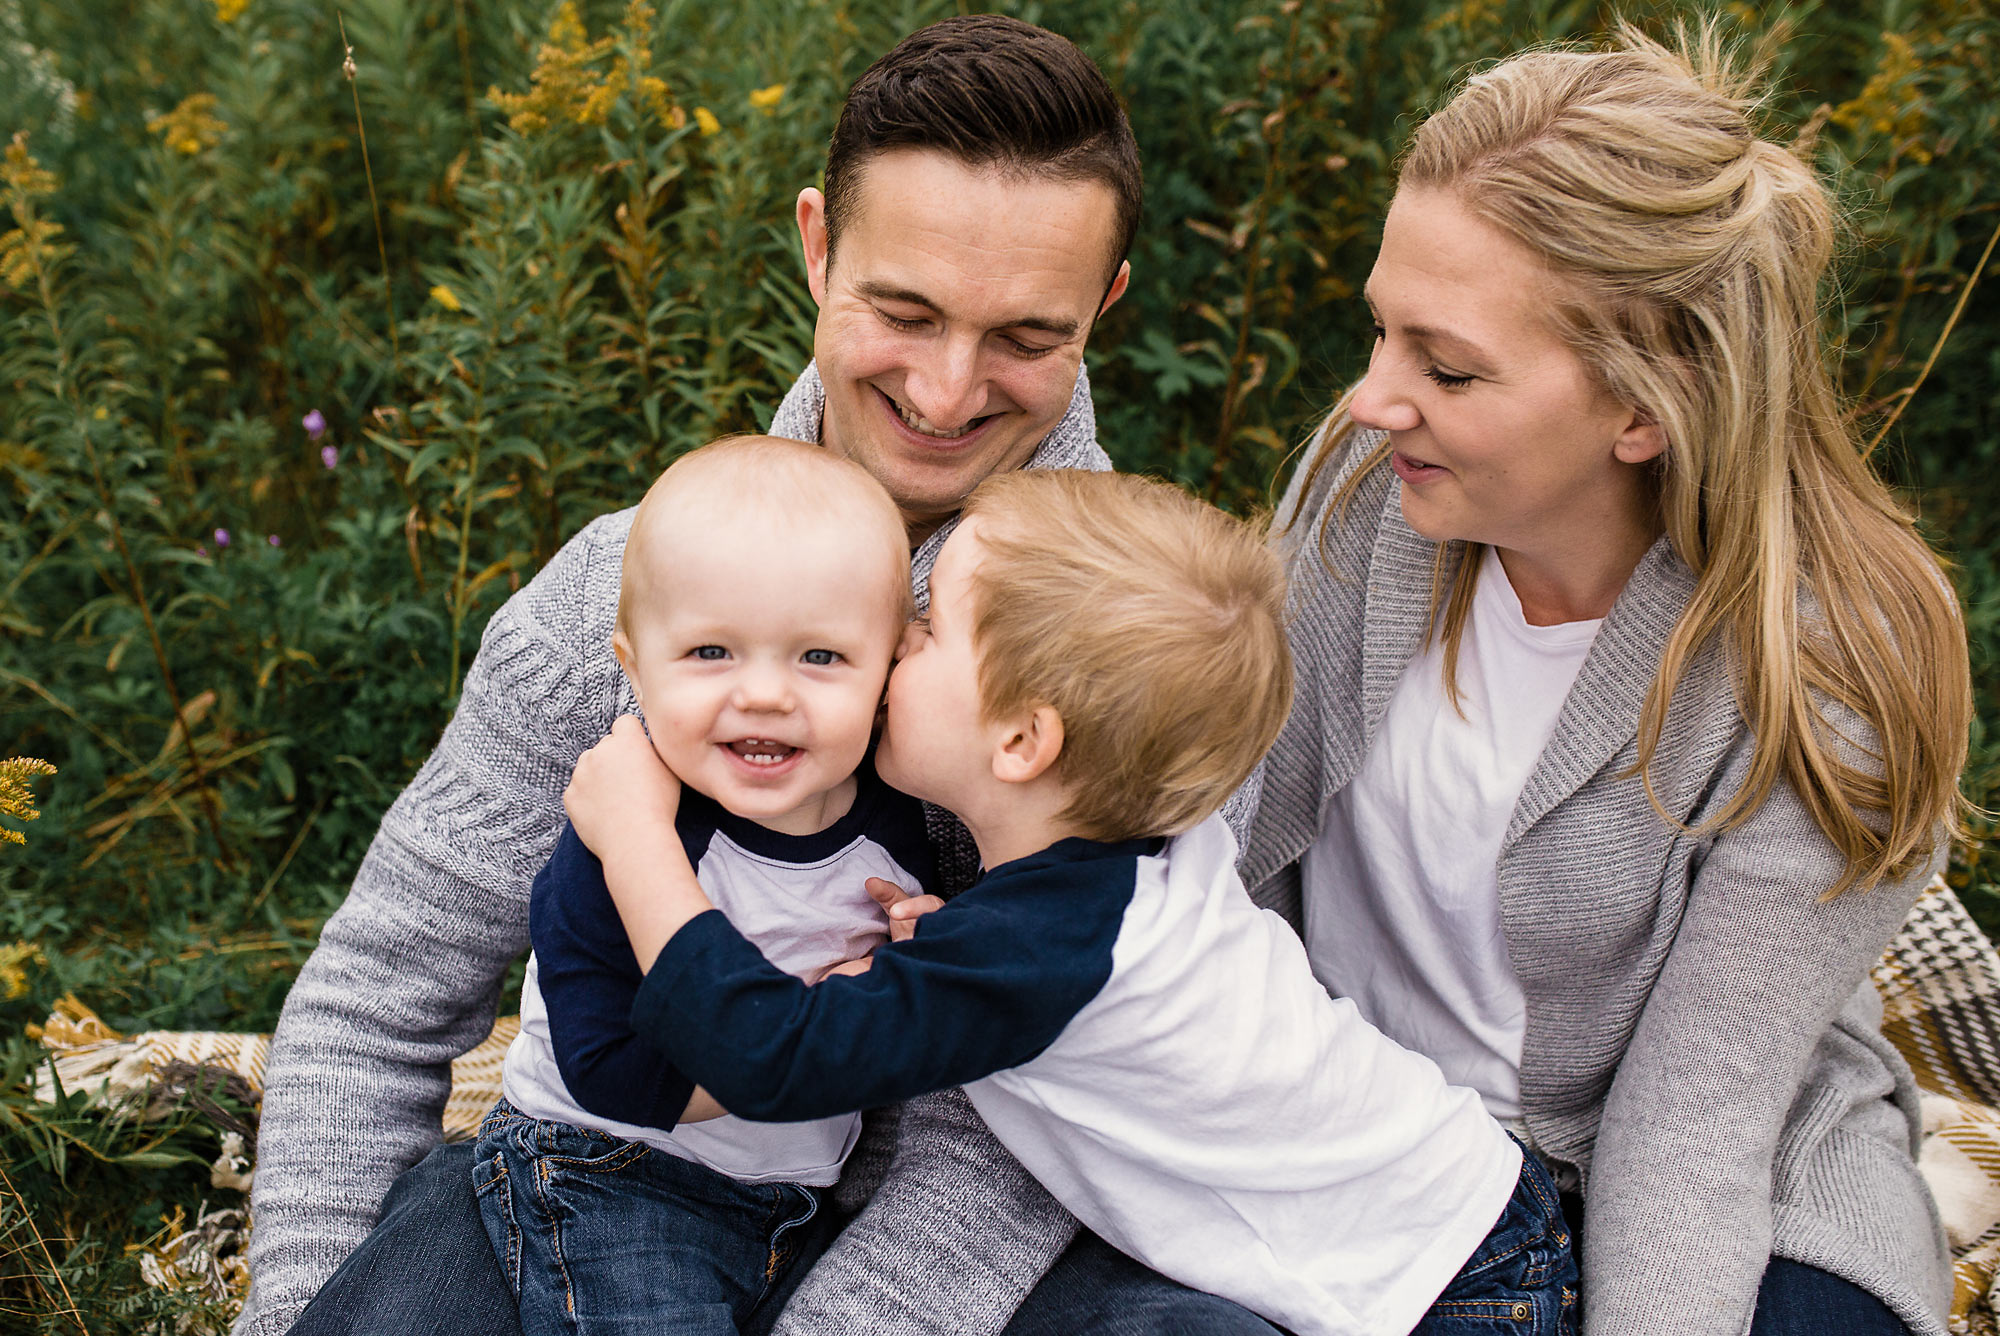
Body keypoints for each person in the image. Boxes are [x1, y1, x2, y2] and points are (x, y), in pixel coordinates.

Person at [237, 17, 1258, 1336]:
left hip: (982, 1252)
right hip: (615, 1169)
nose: (949, 389)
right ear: (818, 242)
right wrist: (296, 1309)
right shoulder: (620, 590)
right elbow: (383, 998)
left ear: (1105, 304)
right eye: (904, 310)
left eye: (1022, 335)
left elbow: (1041, 1124)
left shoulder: (1143, 644)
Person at [1229, 25, 1971, 1336]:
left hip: (1720, 1163)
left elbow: (1696, 1127)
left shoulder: (1832, 670)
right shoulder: (1361, 501)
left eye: (1445, 366)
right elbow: (1214, 841)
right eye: (1382, 333)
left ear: (1645, 411)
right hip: (1364, 1143)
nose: (1367, 399)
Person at [563, 467, 1580, 1336]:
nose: (897, 642)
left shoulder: (1037, 951)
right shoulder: (1117, 870)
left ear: (1019, 743)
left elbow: (770, 1054)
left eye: (927, 630)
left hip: (1447, 1283)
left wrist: (639, 841)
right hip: (1458, 1202)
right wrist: (948, 945)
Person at [475, 437, 930, 1333]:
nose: (763, 694)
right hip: (607, 1169)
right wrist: (814, 1035)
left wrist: (927, 954)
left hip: (795, 1199)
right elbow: (605, 1069)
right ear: (633, 666)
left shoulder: (902, 820)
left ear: (893, 668)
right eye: (712, 652)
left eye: (822, 658)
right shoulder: (623, 836)